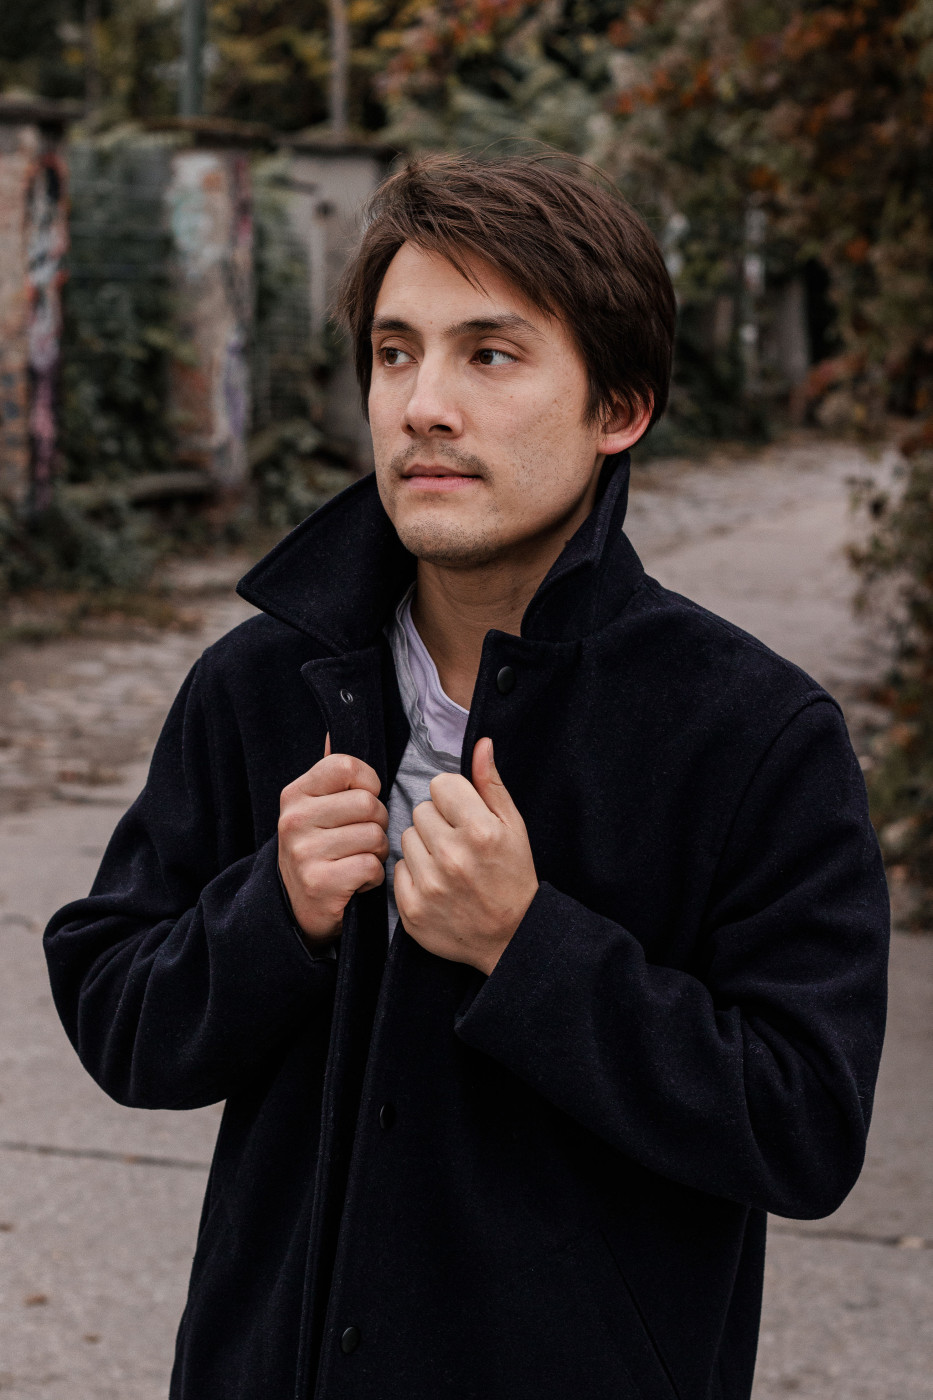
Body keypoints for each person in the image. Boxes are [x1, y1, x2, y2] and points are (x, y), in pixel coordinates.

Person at [44, 155, 889, 1400]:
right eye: (395, 353)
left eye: (490, 354)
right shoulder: (262, 683)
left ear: (619, 407)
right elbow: (118, 1011)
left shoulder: (752, 733)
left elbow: (803, 1124)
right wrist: (273, 912)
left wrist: (530, 946)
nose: (423, 405)